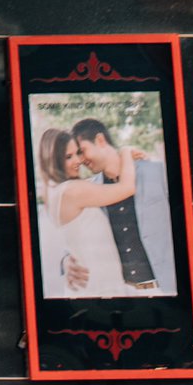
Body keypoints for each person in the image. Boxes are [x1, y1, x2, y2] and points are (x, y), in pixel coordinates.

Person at [36, 124, 138, 297]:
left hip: (90, 285)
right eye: (68, 157)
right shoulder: (72, 191)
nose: (78, 161)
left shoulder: (58, 192)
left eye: (77, 153)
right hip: (98, 288)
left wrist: (66, 261)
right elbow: (127, 188)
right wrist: (126, 152)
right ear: (53, 161)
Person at [69, 114, 164, 291]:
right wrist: (66, 262)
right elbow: (71, 238)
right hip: (122, 294)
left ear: (100, 140)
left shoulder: (157, 173)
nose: (80, 160)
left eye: (81, 151)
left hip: (164, 289)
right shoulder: (88, 192)